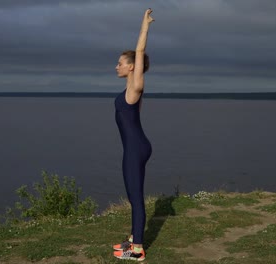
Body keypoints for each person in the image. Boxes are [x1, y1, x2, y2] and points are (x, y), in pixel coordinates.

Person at [112, 8, 154, 261]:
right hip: (135, 146)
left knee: (136, 198)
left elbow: (139, 52)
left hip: (136, 148)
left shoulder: (136, 87)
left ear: (131, 68)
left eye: (120, 62)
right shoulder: (130, 89)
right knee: (131, 194)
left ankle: (137, 250)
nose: (116, 66)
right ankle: (133, 236)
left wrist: (144, 25)